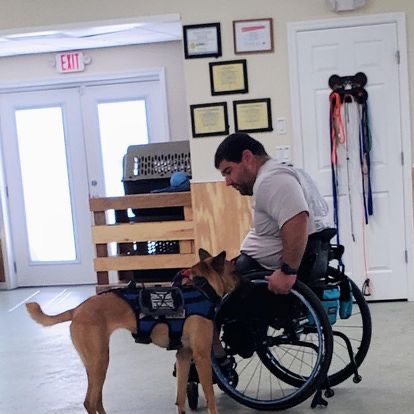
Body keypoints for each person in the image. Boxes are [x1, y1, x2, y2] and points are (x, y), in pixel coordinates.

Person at [214, 133, 330, 295]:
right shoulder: (282, 173)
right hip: (257, 267)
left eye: (228, 171)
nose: (228, 182)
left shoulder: (271, 180)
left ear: (247, 157)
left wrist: (287, 272)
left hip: (262, 276)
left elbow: (297, 220)